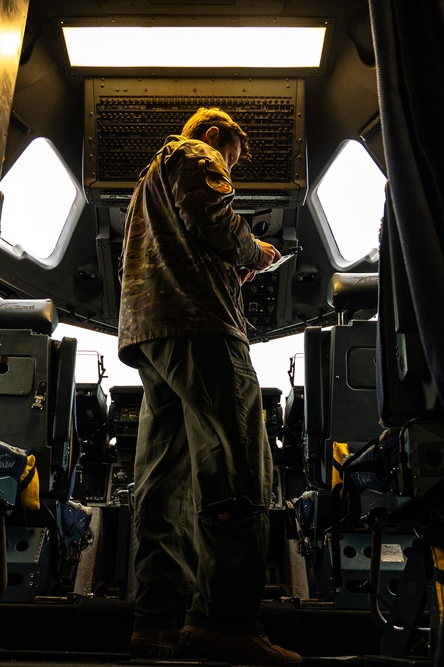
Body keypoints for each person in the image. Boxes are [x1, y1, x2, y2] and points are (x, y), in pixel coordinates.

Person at [117, 107, 301, 665]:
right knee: (238, 465)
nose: (230, 171)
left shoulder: (146, 183)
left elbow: (186, 240)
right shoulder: (195, 153)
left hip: (152, 335)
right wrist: (258, 255)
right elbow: (213, 220)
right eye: (234, 162)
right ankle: (224, 622)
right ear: (216, 135)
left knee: (162, 479)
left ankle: (157, 623)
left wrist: (228, 262)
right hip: (201, 325)